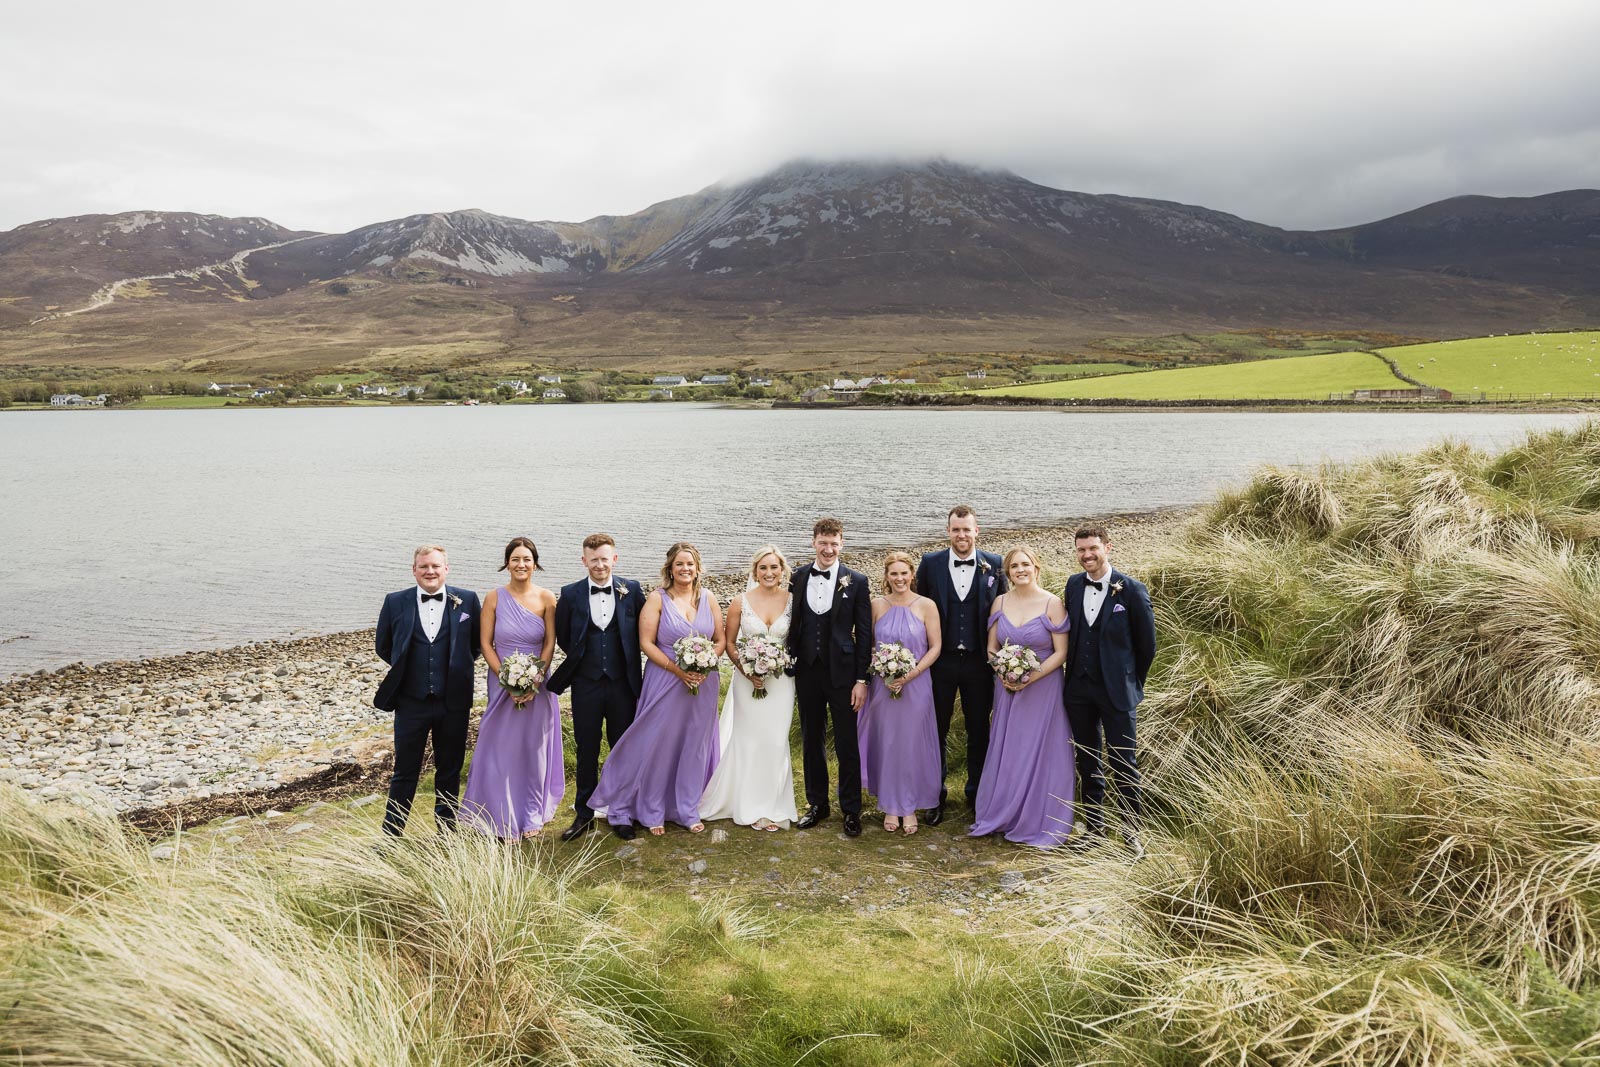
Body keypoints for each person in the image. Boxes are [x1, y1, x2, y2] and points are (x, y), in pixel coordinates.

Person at [588, 542, 726, 835]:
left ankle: (686, 809)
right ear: (670, 569)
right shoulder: (657, 598)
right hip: (666, 680)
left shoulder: (709, 598)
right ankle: (651, 808)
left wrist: (705, 663)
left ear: (697, 568)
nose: (685, 569)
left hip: (703, 683)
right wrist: (678, 670)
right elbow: (646, 643)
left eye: (690, 564)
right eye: (679, 564)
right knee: (658, 744)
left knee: (694, 746)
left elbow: (720, 640)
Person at [373, 544, 482, 837]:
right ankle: (391, 835)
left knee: (449, 770)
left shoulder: (468, 600)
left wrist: (454, 668)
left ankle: (446, 833)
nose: (430, 571)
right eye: (424, 566)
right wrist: (409, 670)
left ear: (446, 569)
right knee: (405, 771)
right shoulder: (395, 601)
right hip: (410, 702)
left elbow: (475, 646)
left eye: (435, 566)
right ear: (414, 570)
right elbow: (384, 645)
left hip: (453, 702)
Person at [1062, 525, 1157, 860]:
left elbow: (1147, 647)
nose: (1087, 555)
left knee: (1123, 761)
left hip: (1117, 691)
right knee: (1087, 759)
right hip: (1078, 689)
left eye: (1093, 548)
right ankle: (1094, 828)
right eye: (1081, 550)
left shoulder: (1132, 590)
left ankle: (1131, 833)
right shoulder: (1073, 585)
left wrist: (1129, 681)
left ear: (1107, 547)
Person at [970, 545, 1074, 847]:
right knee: (1011, 747)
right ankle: (1006, 812)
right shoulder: (1000, 602)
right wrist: (1004, 673)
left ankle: (1038, 817)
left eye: (1025, 564)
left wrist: (1030, 677)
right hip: (1007, 688)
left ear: (1036, 567)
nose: (1020, 570)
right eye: (1014, 566)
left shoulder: (1052, 603)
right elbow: (992, 647)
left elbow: (1061, 653)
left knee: (1040, 749)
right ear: (1008, 572)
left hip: (1043, 688)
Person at [546, 533, 647, 841]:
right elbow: (564, 635)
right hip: (585, 684)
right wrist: (585, 659)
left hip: (622, 683)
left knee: (622, 748)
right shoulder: (570, 593)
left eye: (604, 559)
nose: (599, 565)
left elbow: (644, 628)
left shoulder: (632, 590)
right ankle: (584, 814)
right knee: (586, 748)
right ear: (584, 561)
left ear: (614, 559)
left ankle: (621, 811)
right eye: (593, 560)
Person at [461, 537, 563, 840]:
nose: (521, 564)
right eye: (515, 559)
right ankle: (499, 812)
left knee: (534, 748)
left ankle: (531, 812)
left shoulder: (547, 598)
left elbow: (550, 643)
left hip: (539, 684)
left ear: (535, 564)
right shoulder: (493, 597)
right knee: (499, 747)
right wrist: (506, 678)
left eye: (526, 559)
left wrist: (536, 678)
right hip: (501, 682)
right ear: (507, 563)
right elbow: (485, 644)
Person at [914, 505, 1007, 824]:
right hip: (940, 661)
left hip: (980, 663)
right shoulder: (930, 563)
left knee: (978, 729)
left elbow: (1003, 609)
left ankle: (977, 794)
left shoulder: (995, 563)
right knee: (935, 728)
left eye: (967, 529)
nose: (961, 535)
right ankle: (934, 795)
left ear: (976, 531)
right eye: (956, 529)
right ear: (948, 532)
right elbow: (919, 606)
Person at [700, 545, 800, 831]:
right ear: (755, 571)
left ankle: (773, 805)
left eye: (774, 567)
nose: (769, 572)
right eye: (763, 567)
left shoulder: (793, 601)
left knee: (776, 740)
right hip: (747, 682)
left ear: (782, 570)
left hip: (781, 683)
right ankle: (748, 805)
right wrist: (748, 671)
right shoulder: (739, 602)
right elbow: (730, 643)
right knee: (749, 740)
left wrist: (777, 664)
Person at [788, 517, 873, 837]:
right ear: (813, 542)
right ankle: (817, 804)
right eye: (823, 543)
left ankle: (851, 810)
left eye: (834, 544)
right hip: (807, 671)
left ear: (842, 544)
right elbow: (792, 622)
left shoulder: (857, 581)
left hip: (844, 674)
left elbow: (864, 634)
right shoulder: (797, 577)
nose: (828, 549)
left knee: (847, 741)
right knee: (811, 739)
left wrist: (862, 679)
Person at [858, 551, 943, 834]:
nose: (899, 578)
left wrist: (911, 674)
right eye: (893, 573)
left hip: (916, 684)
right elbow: (868, 644)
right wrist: (882, 666)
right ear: (886, 576)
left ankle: (909, 806)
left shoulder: (926, 605)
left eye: (904, 573)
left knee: (911, 743)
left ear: (912, 574)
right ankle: (890, 805)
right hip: (883, 686)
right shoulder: (876, 605)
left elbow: (935, 647)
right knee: (888, 743)